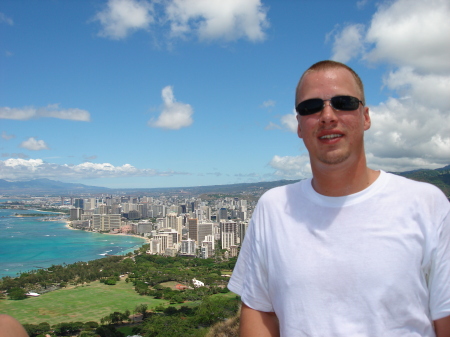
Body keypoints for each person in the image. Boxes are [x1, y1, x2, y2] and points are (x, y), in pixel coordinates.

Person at [228, 60, 450, 336]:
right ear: (299, 125)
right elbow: (259, 311)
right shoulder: (273, 207)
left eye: (343, 102)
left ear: (365, 117)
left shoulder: (427, 204)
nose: (327, 116)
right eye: (311, 107)